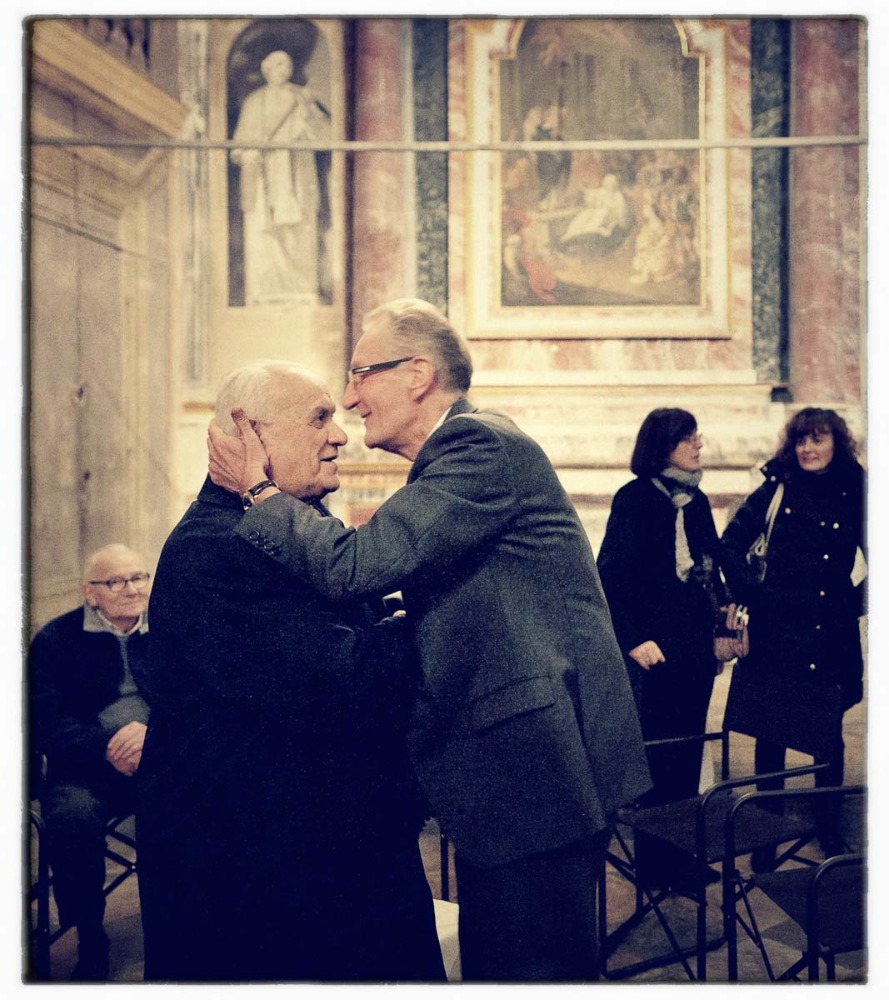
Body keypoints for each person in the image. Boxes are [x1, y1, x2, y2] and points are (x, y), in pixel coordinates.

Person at [207, 298, 651, 982]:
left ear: (417, 375)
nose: (350, 400)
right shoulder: (464, 452)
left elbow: (354, 565)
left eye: (360, 375)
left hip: (534, 772)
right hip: (518, 772)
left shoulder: (477, 446)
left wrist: (259, 492)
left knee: (530, 974)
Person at [136, 360, 444, 983]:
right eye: (319, 419)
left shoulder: (290, 528)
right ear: (250, 434)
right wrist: (447, 616)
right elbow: (344, 680)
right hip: (265, 883)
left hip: (322, 858)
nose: (340, 435)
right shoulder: (215, 548)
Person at [596, 409, 746, 889]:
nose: (698, 444)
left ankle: (680, 858)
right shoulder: (635, 499)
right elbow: (610, 577)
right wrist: (633, 639)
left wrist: (723, 625)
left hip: (694, 648)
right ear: (663, 445)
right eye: (688, 437)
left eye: (697, 435)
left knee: (687, 754)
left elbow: (710, 571)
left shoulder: (695, 500)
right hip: (654, 651)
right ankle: (655, 865)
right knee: (659, 759)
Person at [720, 407, 866, 862]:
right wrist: (754, 595)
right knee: (771, 735)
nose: (807, 449)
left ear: (836, 443)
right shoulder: (777, 485)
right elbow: (729, 545)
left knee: (829, 735)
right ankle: (766, 837)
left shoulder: (858, 489)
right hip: (778, 632)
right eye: (801, 440)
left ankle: (829, 830)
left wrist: (852, 601)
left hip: (829, 634)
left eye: (817, 439)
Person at [30, 544, 152, 981]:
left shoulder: (171, 630)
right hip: (85, 767)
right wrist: (107, 746)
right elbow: (48, 720)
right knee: (72, 817)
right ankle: (89, 934)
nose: (132, 589)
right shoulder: (56, 640)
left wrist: (154, 736)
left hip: (160, 760)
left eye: (139, 577)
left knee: (211, 799)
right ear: (90, 592)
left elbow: (194, 701)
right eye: (116, 581)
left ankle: (186, 927)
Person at [230, 49, 330, 304]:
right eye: (276, 65)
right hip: (264, 179)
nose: (282, 70)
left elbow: (324, 135)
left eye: (286, 65)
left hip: (296, 176)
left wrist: (309, 113)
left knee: (298, 231)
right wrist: (248, 153)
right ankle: (265, 291)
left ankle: (300, 288)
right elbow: (239, 145)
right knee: (264, 233)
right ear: (266, 70)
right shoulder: (254, 102)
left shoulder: (300, 98)